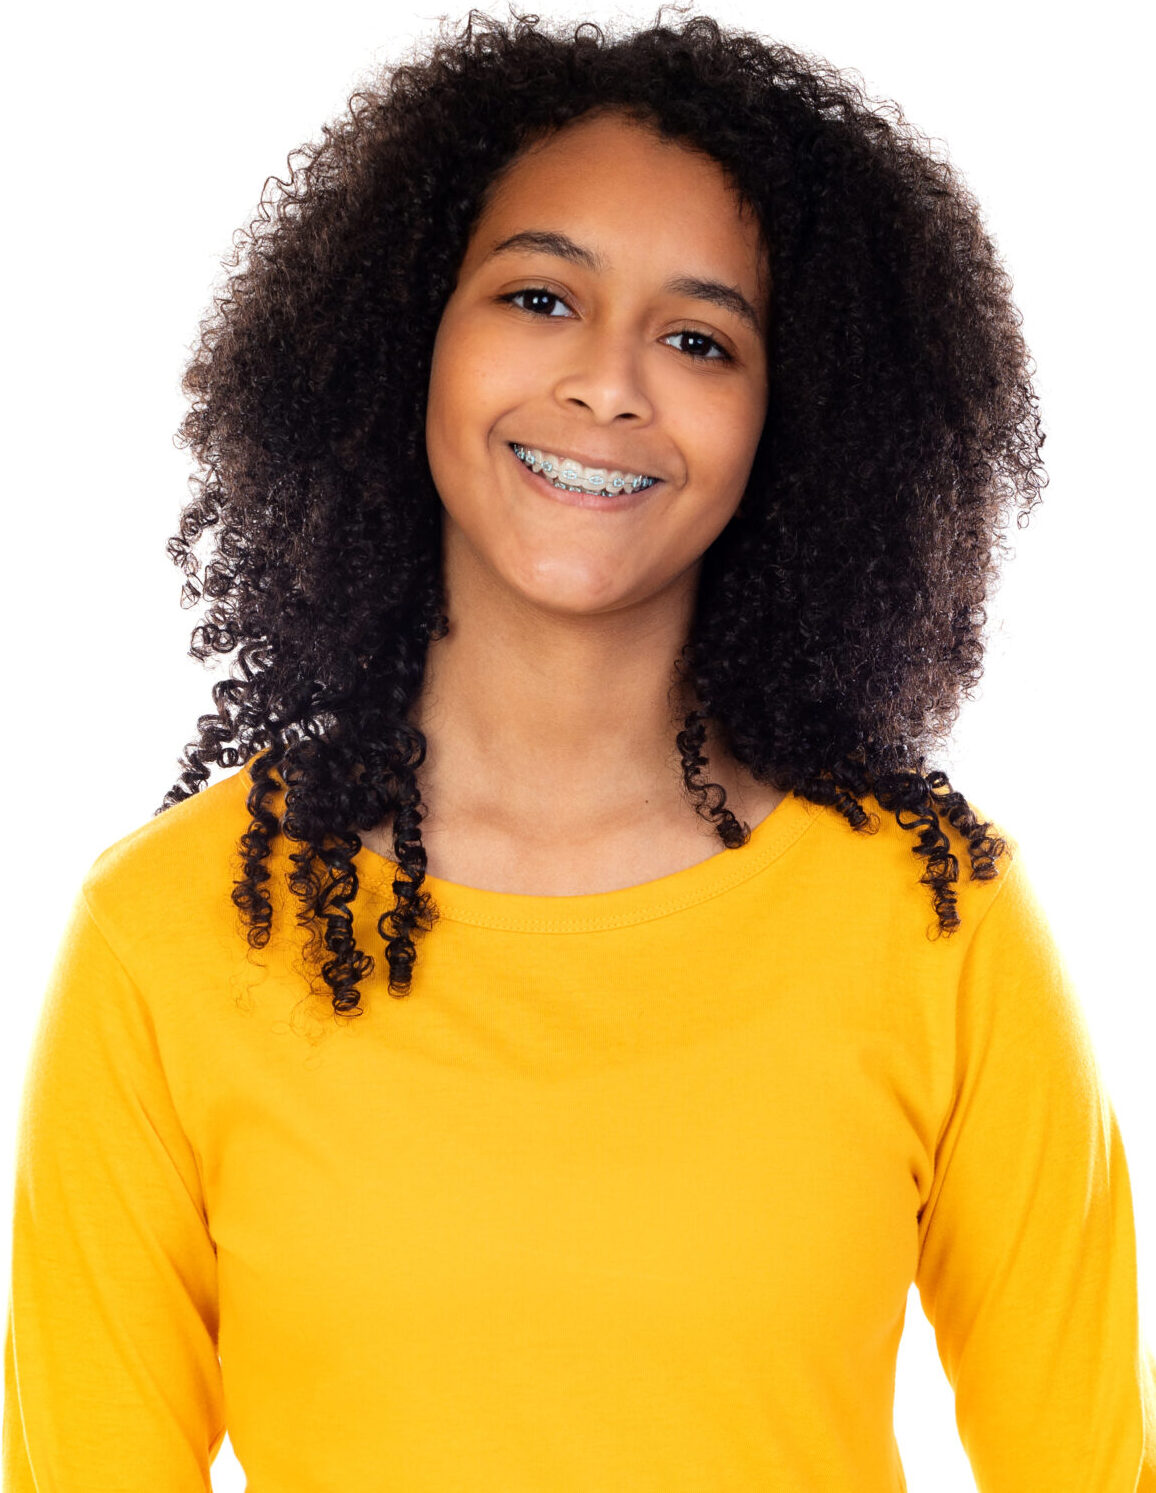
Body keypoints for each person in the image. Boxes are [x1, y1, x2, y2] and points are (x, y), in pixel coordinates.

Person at [4, 7, 1154, 1488]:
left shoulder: (937, 921)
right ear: (406, 330)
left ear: (787, 422)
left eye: (697, 338)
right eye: (540, 298)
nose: (608, 383)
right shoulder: (167, 938)